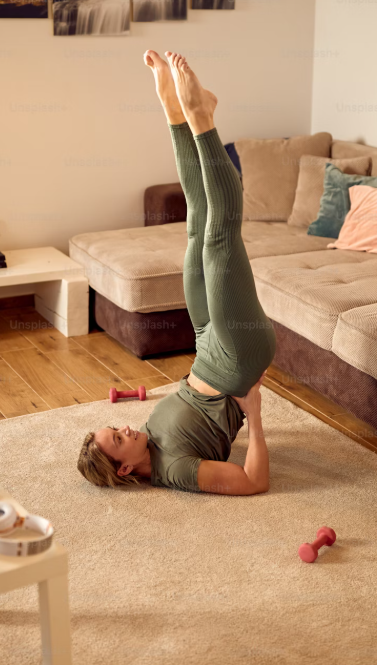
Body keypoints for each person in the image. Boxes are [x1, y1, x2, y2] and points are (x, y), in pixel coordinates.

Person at [76, 50, 276, 496]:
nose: (126, 429)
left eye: (116, 428)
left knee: (196, 225)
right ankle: (202, 120)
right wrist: (255, 414)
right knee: (220, 235)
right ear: (126, 470)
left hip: (206, 348)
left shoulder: (148, 436)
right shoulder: (176, 471)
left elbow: (186, 413)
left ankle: (176, 114)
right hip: (237, 358)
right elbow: (251, 482)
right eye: (119, 439)